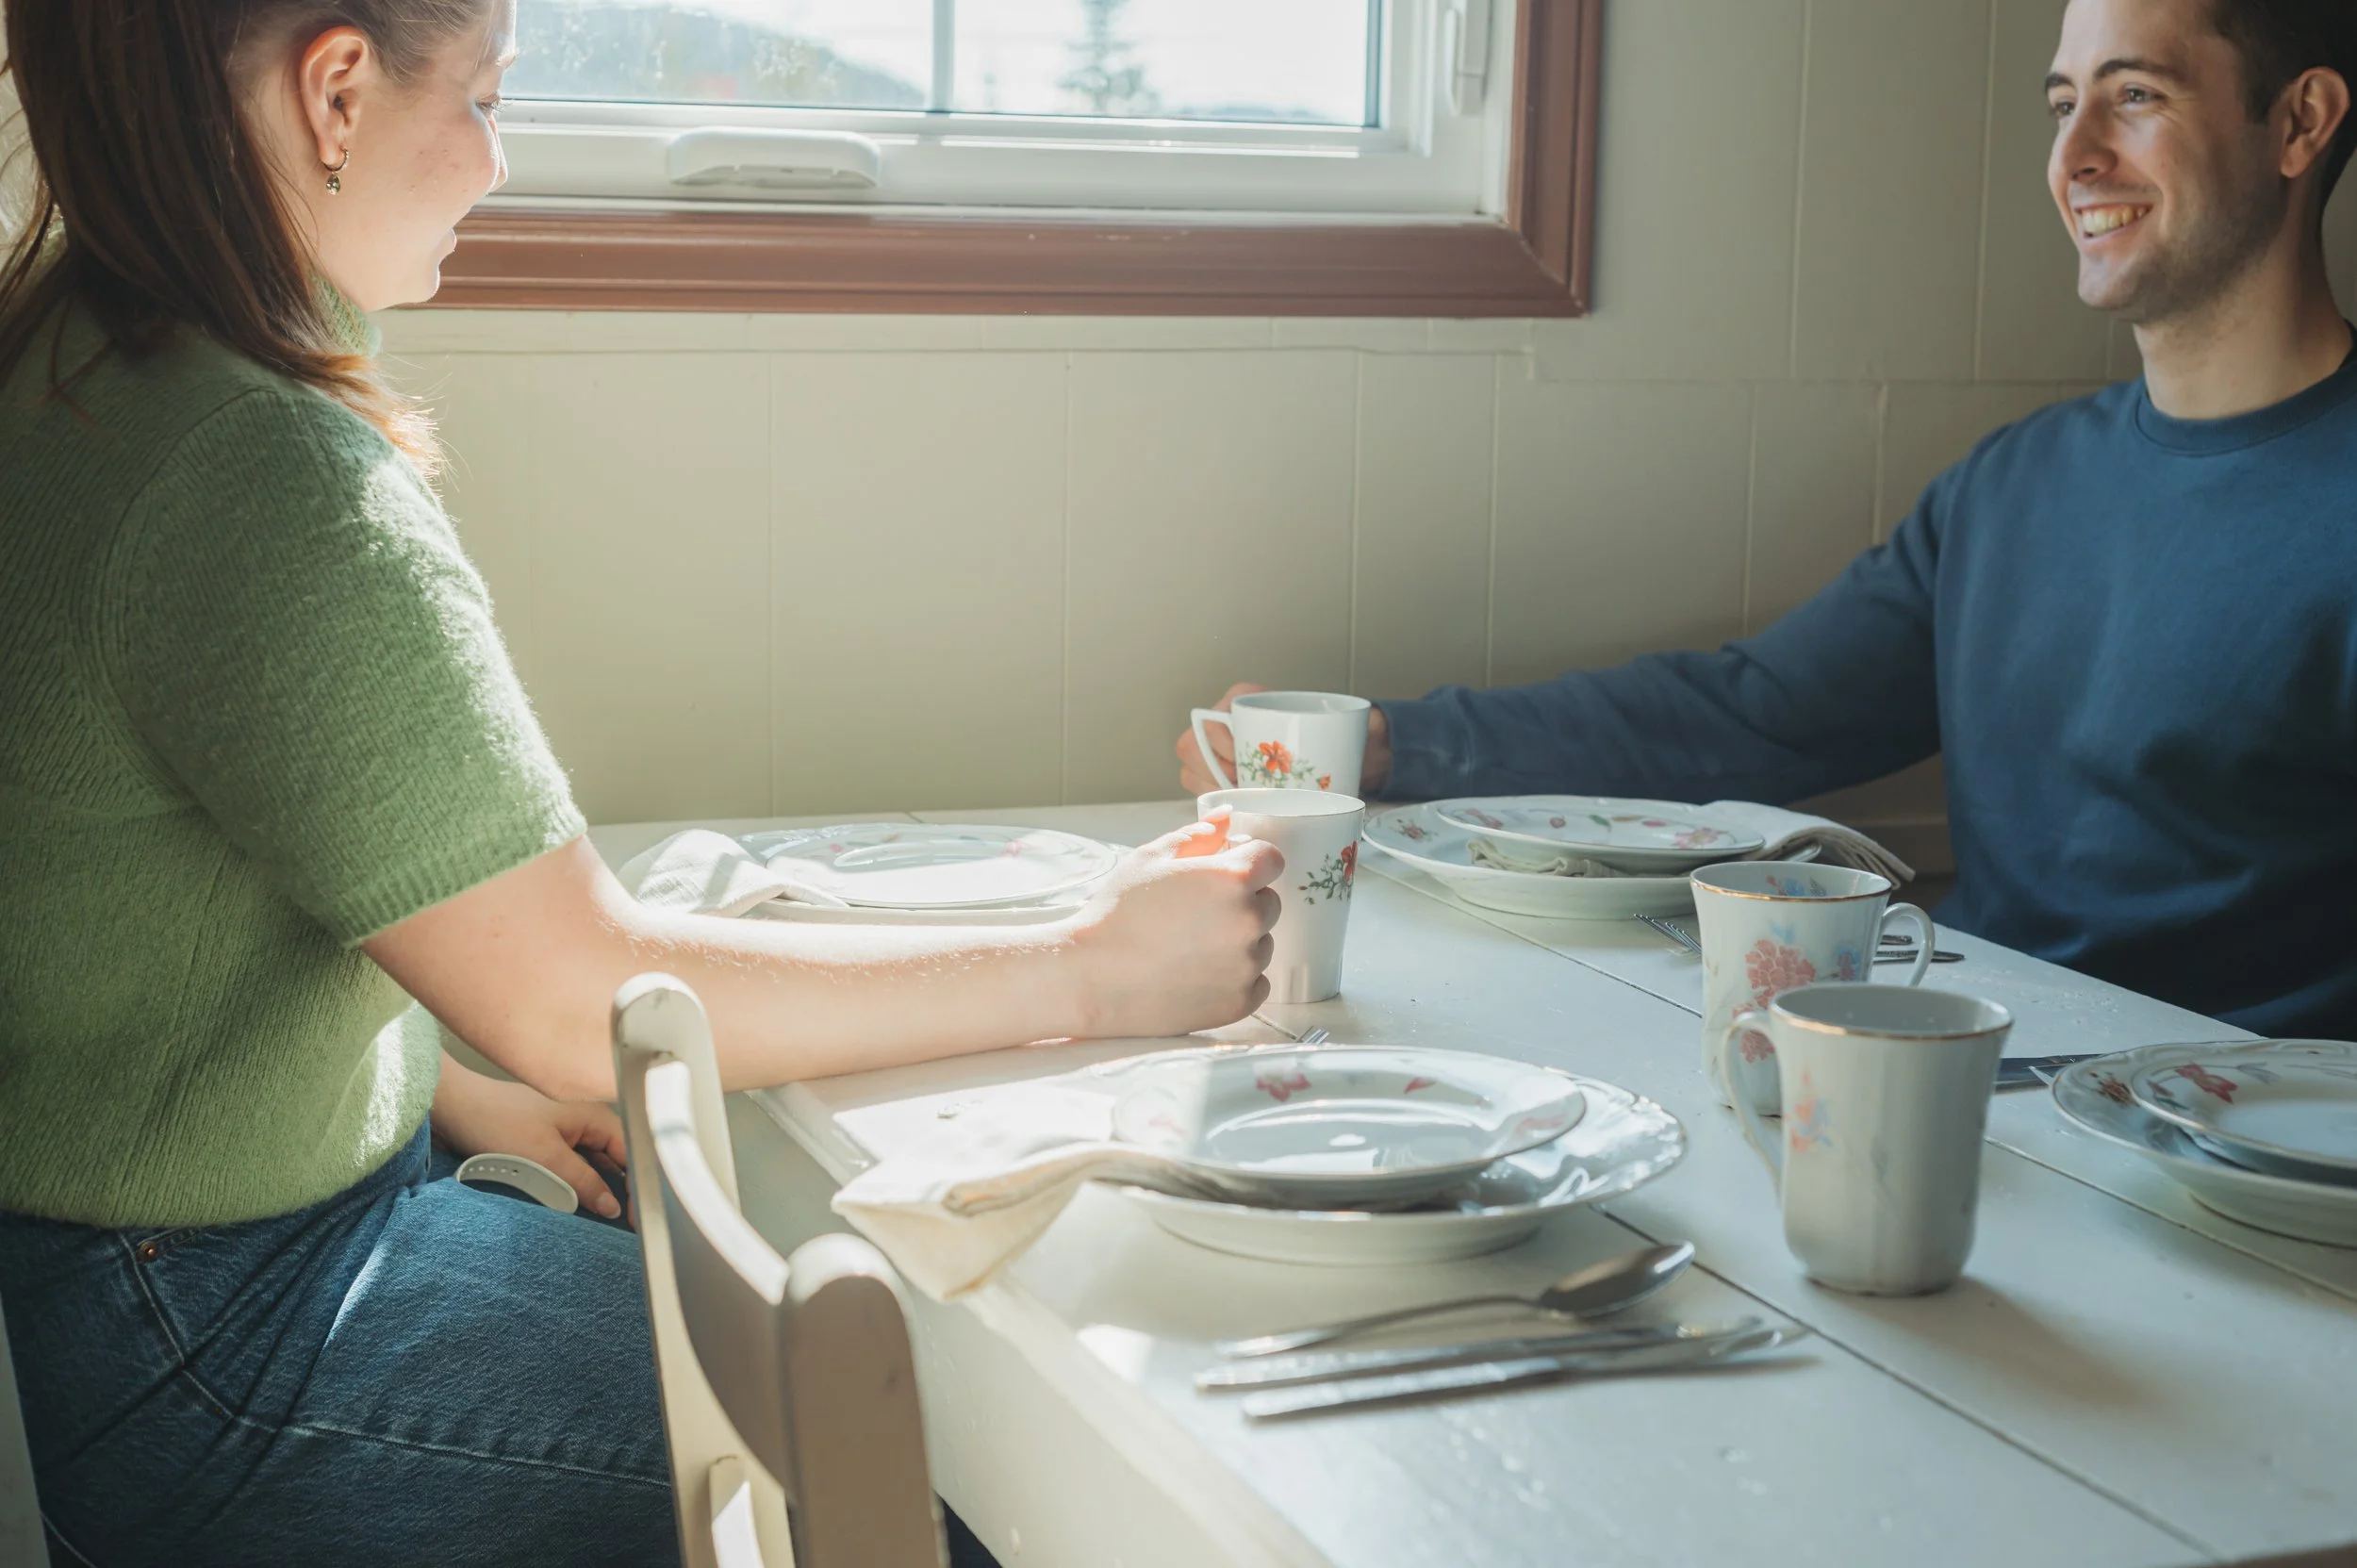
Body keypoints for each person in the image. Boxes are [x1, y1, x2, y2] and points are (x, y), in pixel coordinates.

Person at [0, 2, 1280, 1563]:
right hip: (233, 1337)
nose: (492, 161)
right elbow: (577, 993)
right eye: (480, 96)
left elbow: (172, 906)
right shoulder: (255, 474)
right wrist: (1095, 966)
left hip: (133, 1291)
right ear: (335, 90)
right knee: (974, 1473)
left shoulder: (77, 364)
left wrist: (442, 1090)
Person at [1182, 0, 2357, 1042]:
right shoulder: (2014, 487)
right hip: (1958, 1094)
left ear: (2300, 122)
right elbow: (1749, 717)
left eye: (2135, 96)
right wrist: (1395, 742)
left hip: (2253, 1197)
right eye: (2062, 104)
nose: (2075, 158)